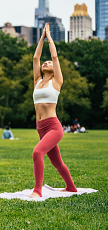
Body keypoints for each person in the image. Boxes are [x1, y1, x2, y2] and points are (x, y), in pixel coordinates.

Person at [29, 23, 77, 198]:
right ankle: (71, 187)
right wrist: (41, 38)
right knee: (57, 162)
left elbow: (55, 57)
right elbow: (35, 58)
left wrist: (49, 38)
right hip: (40, 127)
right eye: (44, 62)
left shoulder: (56, 82)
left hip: (53, 127)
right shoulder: (37, 81)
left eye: (48, 62)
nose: (45, 62)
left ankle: (37, 191)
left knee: (37, 153)